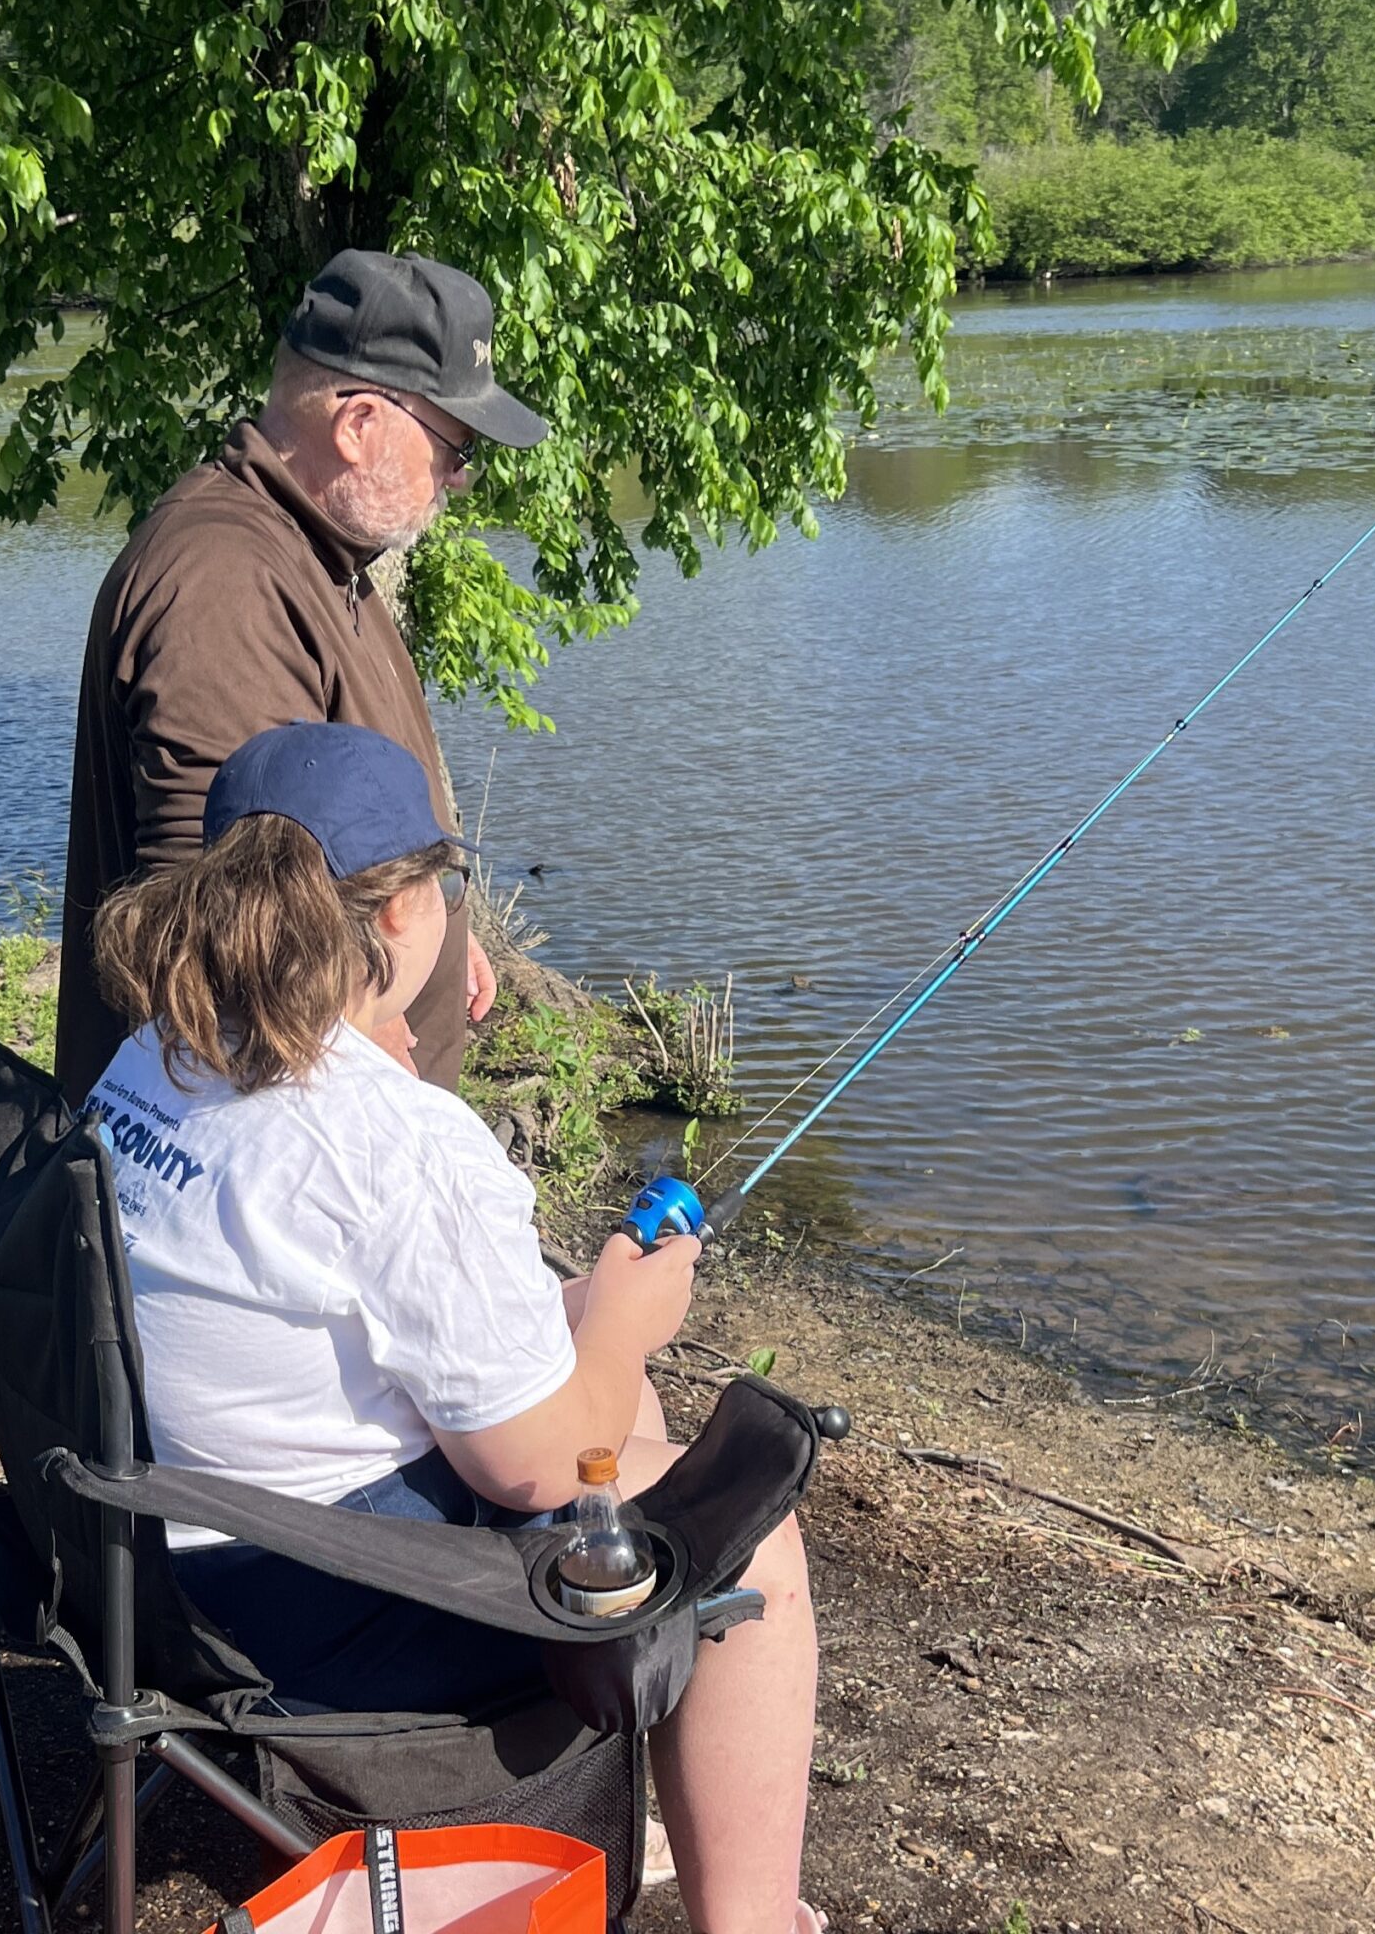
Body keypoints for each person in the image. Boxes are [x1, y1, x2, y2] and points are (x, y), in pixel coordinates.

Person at [85, 721, 823, 1934]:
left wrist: (584, 1317)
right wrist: (630, 1317)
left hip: (149, 1563)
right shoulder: (398, 1139)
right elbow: (531, 1463)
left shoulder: (156, 1057)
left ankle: (629, 1727)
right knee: (753, 1532)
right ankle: (751, 1919)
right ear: (399, 918)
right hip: (316, 1617)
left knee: (611, 1404)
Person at [55, 247, 547, 1109]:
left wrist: (437, 918)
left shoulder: (323, 551)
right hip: (259, 1174)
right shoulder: (226, 583)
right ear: (359, 424)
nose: (460, 480)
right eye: (454, 447)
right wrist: (351, 1033)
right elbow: (225, 940)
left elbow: (343, 823)